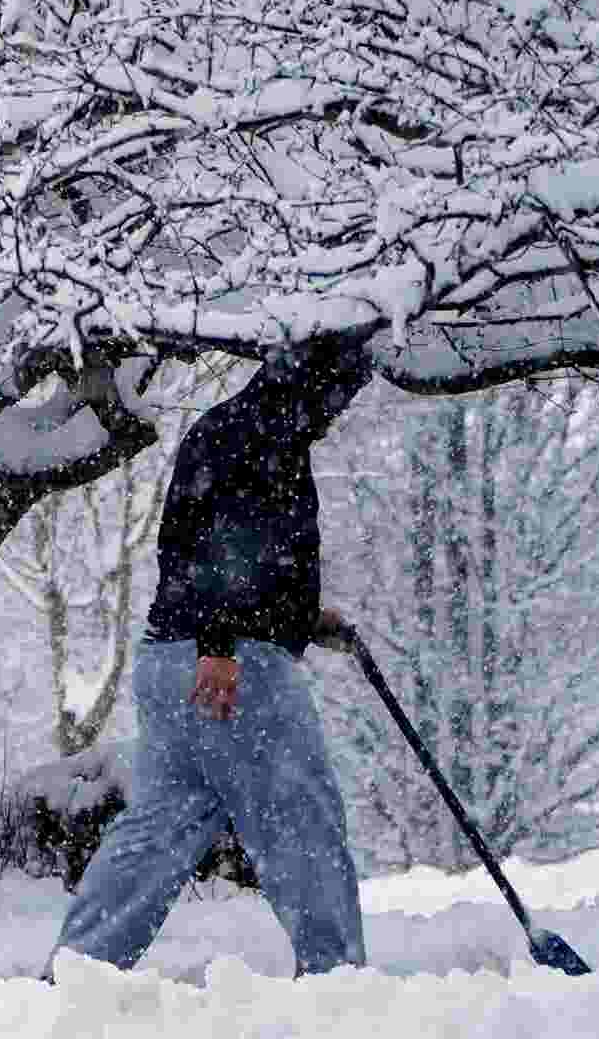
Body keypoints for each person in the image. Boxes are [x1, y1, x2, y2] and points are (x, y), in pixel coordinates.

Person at [51, 330, 384, 979]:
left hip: (168, 660)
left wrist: (301, 617)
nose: (336, 409)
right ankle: (336, 979)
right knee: (301, 823)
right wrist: (222, 643)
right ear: (310, 380)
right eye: (338, 392)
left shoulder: (226, 428)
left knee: (155, 831)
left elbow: (222, 552)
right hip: (231, 670)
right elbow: (215, 549)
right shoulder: (267, 434)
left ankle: (78, 968)